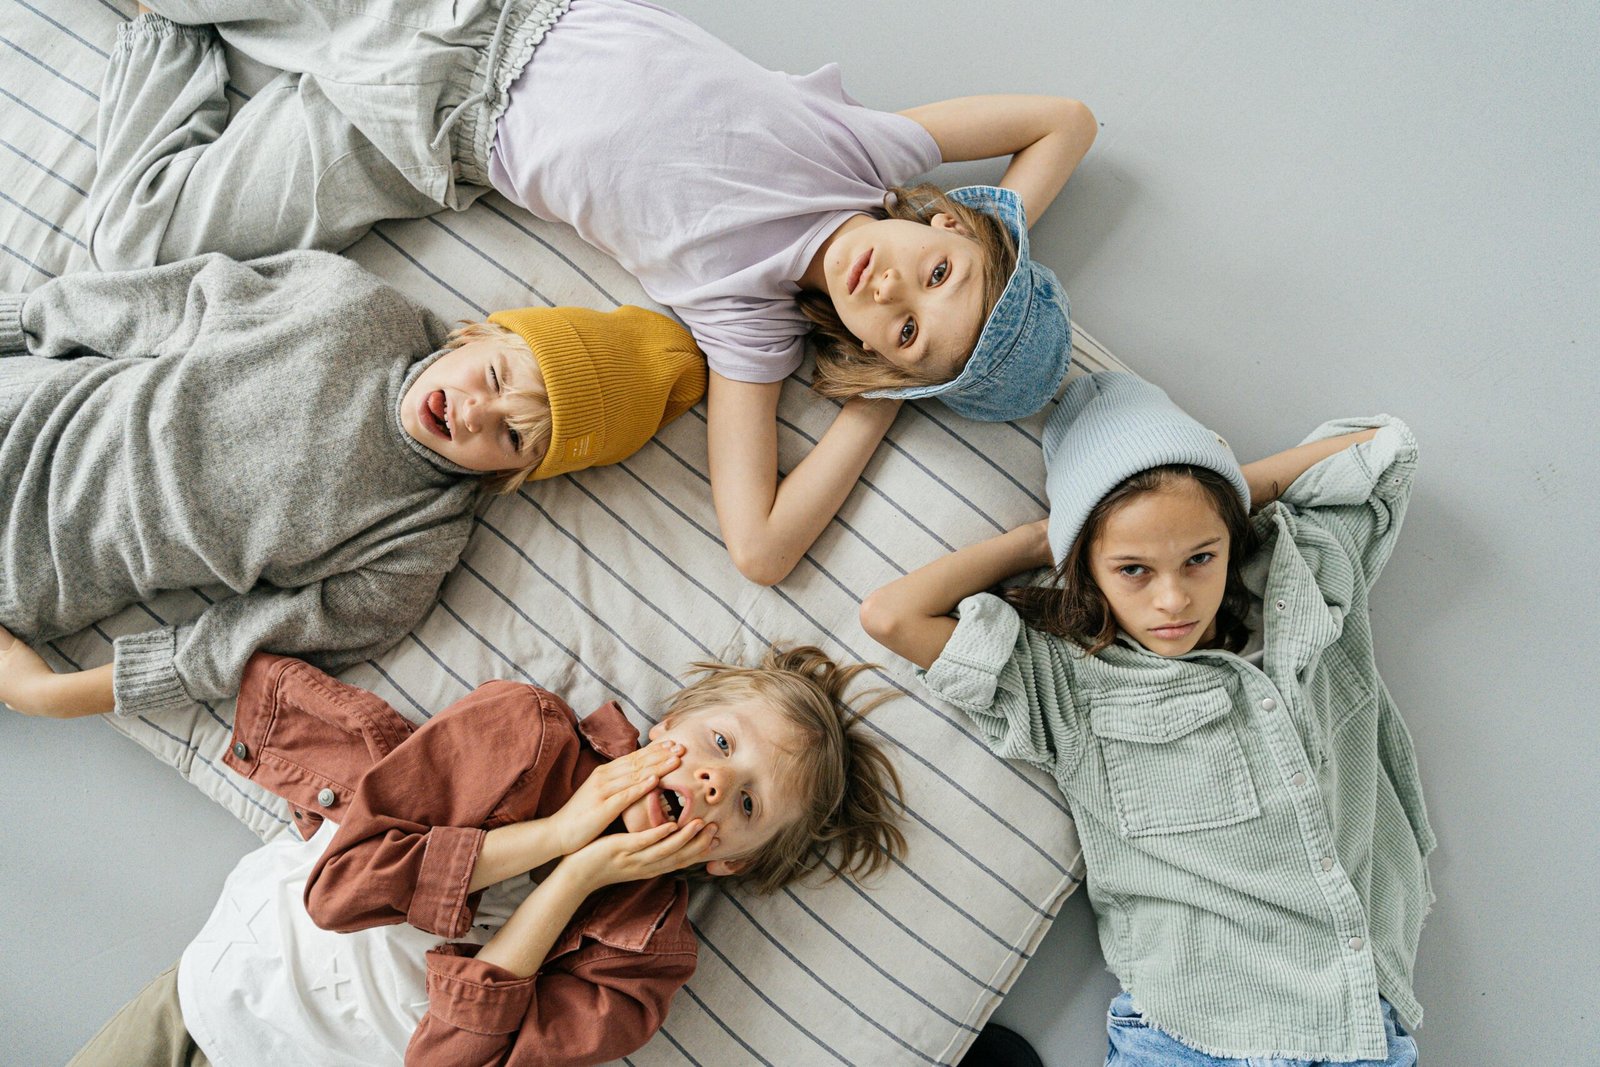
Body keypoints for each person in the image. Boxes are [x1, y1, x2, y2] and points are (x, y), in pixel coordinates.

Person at [89, 0, 1097, 584]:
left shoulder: (750, 321)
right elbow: (1067, 120)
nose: (892, 293)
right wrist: (978, 261)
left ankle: (173, 42)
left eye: (908, 329)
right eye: (936, 270)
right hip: (477, 12)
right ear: (946, 221)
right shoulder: (870, 150)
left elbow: (759, 548)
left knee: (132, 240)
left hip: (427, 133)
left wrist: (885, 394)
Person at [860, 373, 1431, 1065]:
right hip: (1188, 1035)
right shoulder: (1067, 681)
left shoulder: (1303, 587)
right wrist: (1046, 538)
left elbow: (1384, 450)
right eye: (1132, 568)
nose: (1173, 597)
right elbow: (891, 616)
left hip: (1356, 1022)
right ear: (1089, 569)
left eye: (1199, 558)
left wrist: (1208, 495)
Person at [37, 643, 909, 1065]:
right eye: (719, 740)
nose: (717, 779)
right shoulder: (524, 730)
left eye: (748, 799)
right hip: (212, 997)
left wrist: (574, 881)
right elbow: (341, 892)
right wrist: (559, 833)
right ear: (668, 724)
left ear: (732, 861)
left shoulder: (641, 968)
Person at [0, 251, 704, 720]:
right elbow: (167, 302)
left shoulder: (415, 547)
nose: (474, 413)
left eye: (513, 437)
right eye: (493, 378)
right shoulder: (350, 305)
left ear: (515, 475)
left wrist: (52, 695)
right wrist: (23, 320)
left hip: (34, 569)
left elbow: (235, 646)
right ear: (475, 335)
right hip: (29, 408)